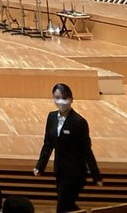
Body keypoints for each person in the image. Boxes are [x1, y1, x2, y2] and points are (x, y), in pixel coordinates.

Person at [33, 82, 100, 213]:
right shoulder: (51, 117)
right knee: (68, 206)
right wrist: (40, 166)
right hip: (60, 171)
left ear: (71, 99)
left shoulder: (79, 122)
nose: (61, 101)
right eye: (57, 98)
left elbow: (87, 150)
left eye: (64, 98)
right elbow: (48, 144)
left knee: (62, 206)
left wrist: (95, 175)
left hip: (75, 173)